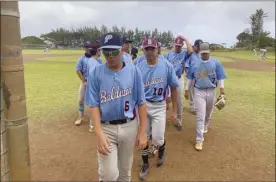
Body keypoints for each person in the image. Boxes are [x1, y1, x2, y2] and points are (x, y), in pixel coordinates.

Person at [85, 32, 147, 182]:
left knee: (125, 173)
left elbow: (141, 103)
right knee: (109, 175)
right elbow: (93, 105)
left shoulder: (133, 71)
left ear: (122, 50)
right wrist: (98, 133)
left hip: (129, 126)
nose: (110, 55)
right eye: (106, 51)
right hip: (107, 128)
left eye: (114, 51)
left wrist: (143, 131)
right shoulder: (95, 73)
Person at [136, 38, 179, 181]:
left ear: (157, 49)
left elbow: (173, 87)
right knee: (144, 137)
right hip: (143, 105)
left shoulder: (166, 66)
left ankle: (161, 150)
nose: (149, 52)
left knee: (158, 139)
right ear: (143, 50)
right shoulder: (138, 65)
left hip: (160, 106)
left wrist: (173, 111)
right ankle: (145, 164)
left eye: (152, 49)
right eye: (146, 49)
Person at [184, 42, 227, 151]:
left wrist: (222, 91)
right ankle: (199, 140)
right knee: (200, 116)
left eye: (206, 53)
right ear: (200, 53)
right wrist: (186, 90)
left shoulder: (215, 63)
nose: (204, 55)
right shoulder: (195, 63)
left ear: (209, 52)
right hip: (198, 91)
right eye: (202, 53)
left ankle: (206, 125)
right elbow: (189, 78)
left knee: (208, 113)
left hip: (211, 90)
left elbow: (221, 77)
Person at [164, 35, 193, 131]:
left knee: (179, 101)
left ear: (182, 46)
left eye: (180, 46)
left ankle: (179, 121)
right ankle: (161, 120)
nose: (178, 47)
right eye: (176, 45)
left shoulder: (184, 53)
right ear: (174, 45)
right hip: (168, 79)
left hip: (179, 78)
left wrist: (185, 39)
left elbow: (191, 51)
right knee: (166, 100)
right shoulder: (168, 55)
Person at [75, 41, 102, 129]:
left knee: (93, 102)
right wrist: (84, 81)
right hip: (84, 81)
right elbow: (78, 70)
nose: (88, 49)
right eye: (86, 47)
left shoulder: (98, 60)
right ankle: (80, 117)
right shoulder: (82, 58)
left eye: (89, 47)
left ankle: (93, 123)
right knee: (81, 100)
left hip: (92, 84)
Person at [186, 39, 203, 114]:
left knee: (199, 92)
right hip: (192, 77)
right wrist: (189, 76)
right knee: (192, 92)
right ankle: (193, 107)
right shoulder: (190, 54)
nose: (199, 48)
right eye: (198, 46)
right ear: (195, 46)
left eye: (200, 47)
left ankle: (198, 106)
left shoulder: (201, 54)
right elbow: (186, 66)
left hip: (201, 76)